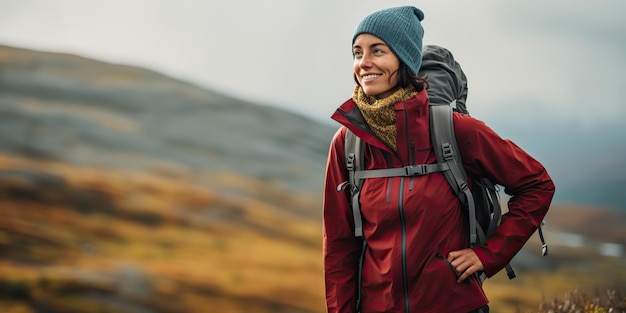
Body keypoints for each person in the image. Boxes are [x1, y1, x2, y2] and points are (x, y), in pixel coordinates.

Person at [322, 5, 555, 313]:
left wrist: (488, 255)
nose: (363, 63)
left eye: (377, 51)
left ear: (404, 59)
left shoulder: (453, 129)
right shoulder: (348, 143)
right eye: (357, 52)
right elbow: (339, 246)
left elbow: (537, 184)